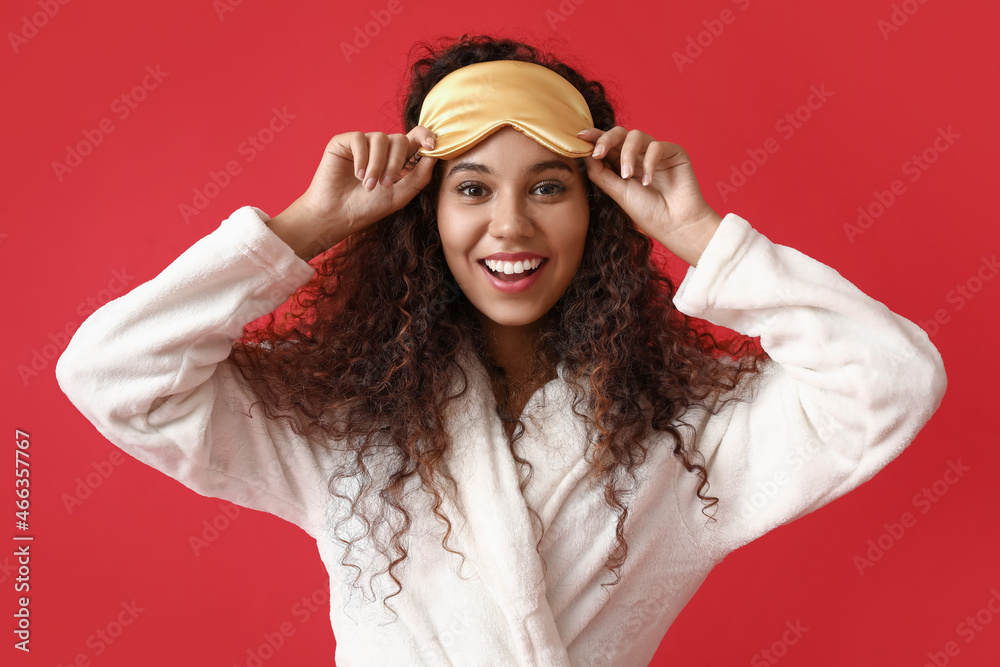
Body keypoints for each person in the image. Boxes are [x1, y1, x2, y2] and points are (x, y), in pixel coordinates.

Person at [56, 34, 946, 666]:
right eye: (472, 187)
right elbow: (112, 373)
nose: (510, 225)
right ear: (424, 215)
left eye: (549, 187)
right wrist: (303, 227)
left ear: (600, 215)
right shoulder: (341, 419)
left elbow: (894, 382)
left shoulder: (684, 437)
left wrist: (707, 237)